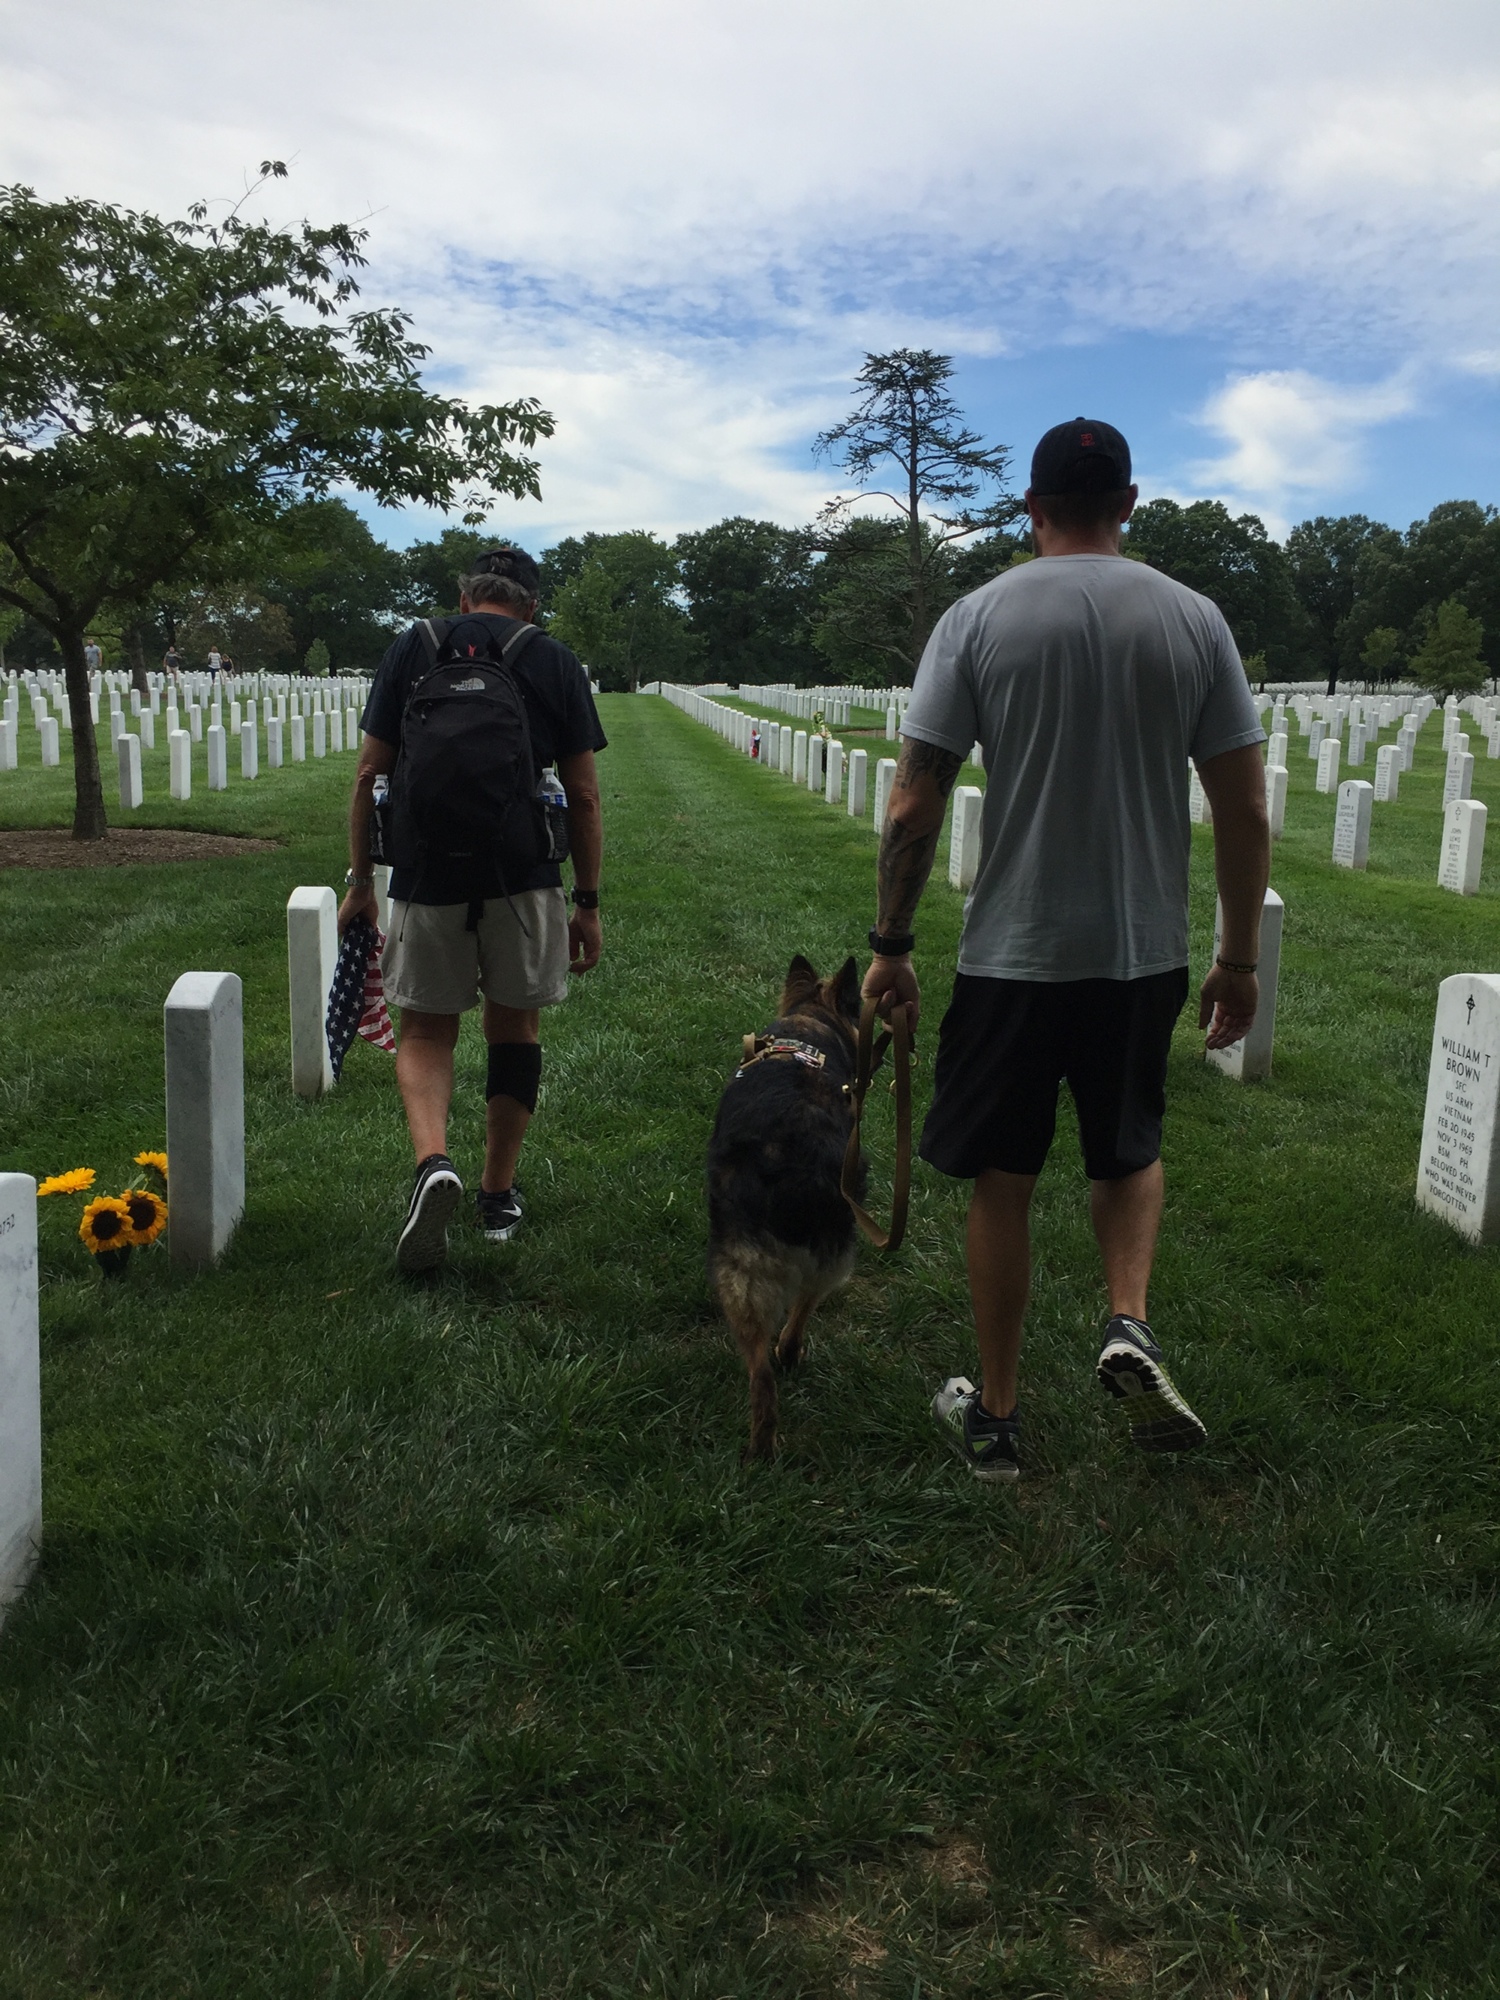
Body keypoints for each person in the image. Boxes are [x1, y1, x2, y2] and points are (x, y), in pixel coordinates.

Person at [862, 418, 1270, 1484]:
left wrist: (892, 941)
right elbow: (1242, 812)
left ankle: (996, 1415)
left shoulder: (976, 618)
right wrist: (1237, 956)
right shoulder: (1197, 620)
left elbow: (914, 797)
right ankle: (1128, 1319)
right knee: (1127, 1147)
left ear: (1031, 507)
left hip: (1015, 949)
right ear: (1128, 503)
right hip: (1143, 948)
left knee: (1003, 1175)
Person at [338, 547, 606, 1273]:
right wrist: (586, 901)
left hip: (425, 873)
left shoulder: (414, 645)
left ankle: (433, 1163)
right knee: (514, 1027)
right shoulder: (552, 658)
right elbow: (582, 795)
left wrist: (362, 880)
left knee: (425, 1028)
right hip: (522, 874)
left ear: (464, 595)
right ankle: (496, 1193)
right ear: (531, 603)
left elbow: (369, 773)